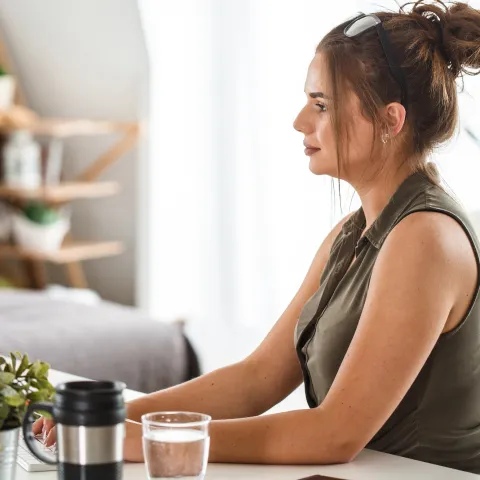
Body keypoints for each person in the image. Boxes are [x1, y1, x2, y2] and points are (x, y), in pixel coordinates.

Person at [34, 1, 480, 473]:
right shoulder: (352, 235)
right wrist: (112, 417)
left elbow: (334, 435)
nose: (300, 122)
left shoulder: (426, 239)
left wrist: (147, 439)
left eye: (321, 105)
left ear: (391, 120)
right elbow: (258, 378)